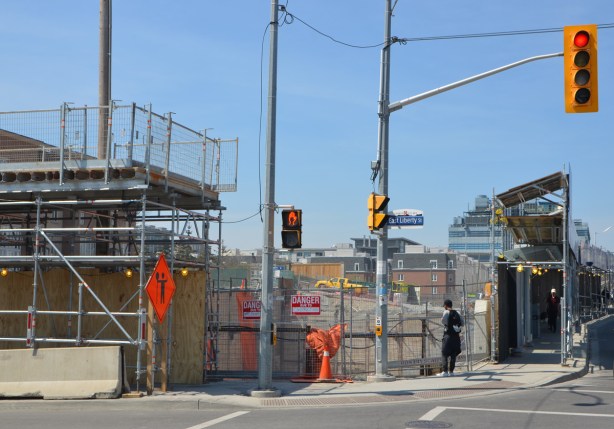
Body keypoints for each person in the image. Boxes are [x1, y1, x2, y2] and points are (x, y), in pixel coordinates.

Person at [437, 299, 464, 377]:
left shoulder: (446, 312)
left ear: (445, 305)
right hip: (456, 337)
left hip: (448, 336)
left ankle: (445, 371)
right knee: (453, 354)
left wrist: (448, 324)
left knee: (444, 353)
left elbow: (443, 321)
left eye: (444, 306)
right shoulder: (458, 312)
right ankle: (451, 371)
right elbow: (462, 323)